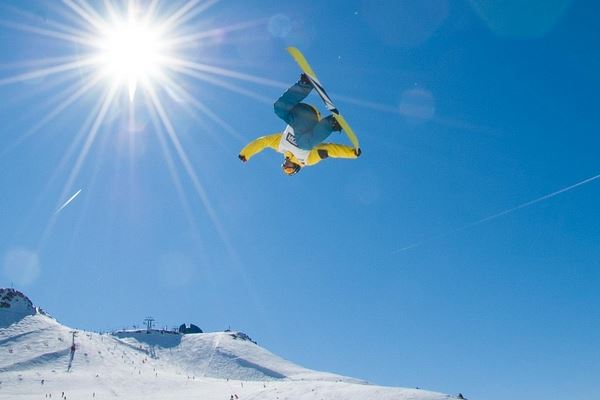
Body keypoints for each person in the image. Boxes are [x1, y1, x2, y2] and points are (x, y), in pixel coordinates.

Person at [239, 74, 361, 175]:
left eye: (284, 167)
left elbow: (262, 142)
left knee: (279, 108)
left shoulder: (280, 145)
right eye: (288, 169)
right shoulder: (307, 160)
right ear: (296, 168)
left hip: (297, 114)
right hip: (312, 119)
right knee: (303, 143)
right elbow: (329, 149)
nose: (285, 166)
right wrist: (351, 153)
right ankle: (332, 123)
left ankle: (305, 85)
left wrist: (245, 154)